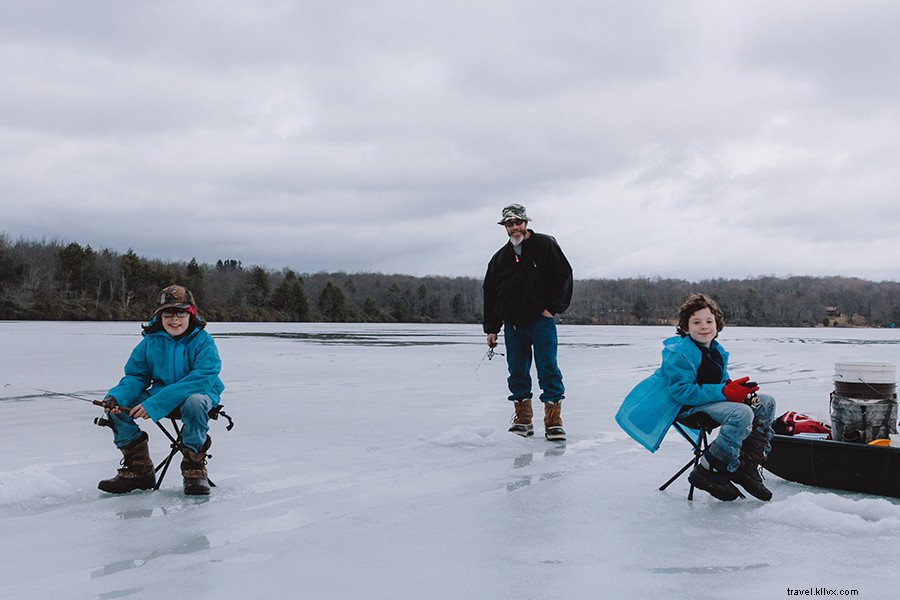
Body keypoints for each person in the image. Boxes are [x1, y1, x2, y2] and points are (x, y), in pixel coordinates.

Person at [615, 293, 776, 501]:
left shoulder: (717, 351)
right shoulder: (680, 352)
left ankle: (745, 465)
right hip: (685, 408)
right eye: (696, 322)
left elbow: (720, 381)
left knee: (765, 402)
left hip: (710, 403)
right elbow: (681, 391)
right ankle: (709, 469)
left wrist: (735, 390)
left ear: (717, 325)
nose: (704, 327)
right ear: (685, 327)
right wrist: (725, 393)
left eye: (709, 321)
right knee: (741, 413)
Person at [98, 285, 225, 496]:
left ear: (190, 314)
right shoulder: (150, 341)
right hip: (158, 395)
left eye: (180, 312)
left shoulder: (204, 341)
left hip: (198, 396)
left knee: (195, 402)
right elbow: (136, 376)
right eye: (168, 312)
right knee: (117, 408)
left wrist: (156, 404)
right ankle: (139, 470)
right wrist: (116, 397)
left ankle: (194, 469)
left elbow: (201, 380)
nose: (174, 319)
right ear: (159, 315)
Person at [483, 203, 573, 441]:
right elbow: (490, 292)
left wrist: (551, 308)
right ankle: (523, 419)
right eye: (509, 224)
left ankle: (553, 421)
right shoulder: (500, 258)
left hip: (540, 321)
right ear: (505, 227)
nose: (514, 228)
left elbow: (563, 275)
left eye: (518, 223)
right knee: (517, 371)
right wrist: (492, 328)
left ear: (526, 223)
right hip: (513, 324)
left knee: (548, 368)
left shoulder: (545, 245)